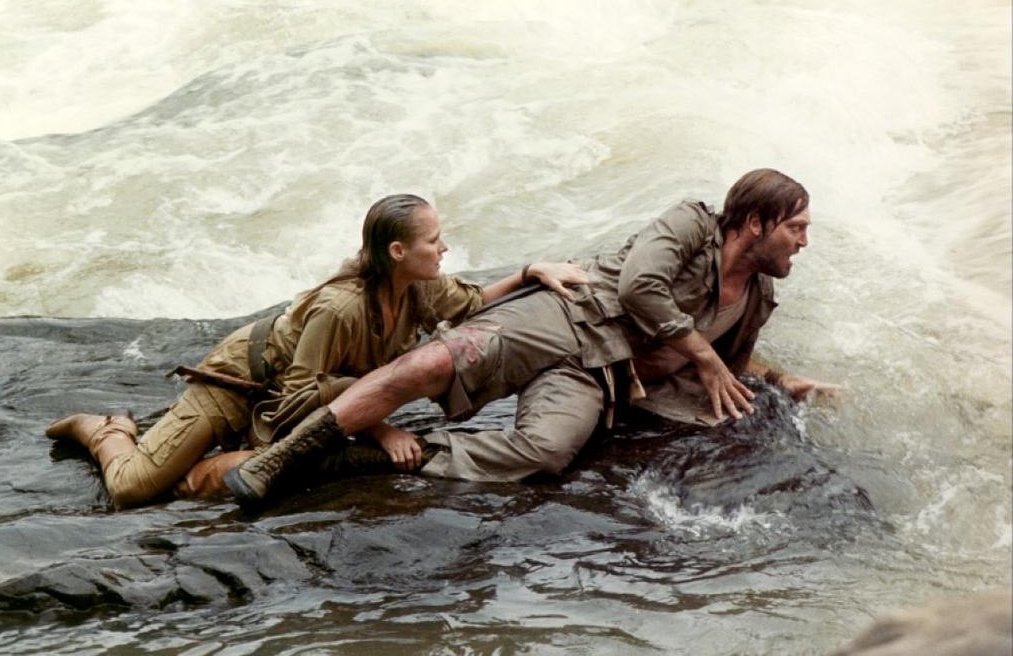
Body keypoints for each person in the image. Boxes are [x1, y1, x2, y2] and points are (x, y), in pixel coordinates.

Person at [223, 169, 838, 502]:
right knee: (429, 366)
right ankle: (282, 457)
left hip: (598, 375)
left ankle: (360, 455)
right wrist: (702, 355)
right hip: (564, 316)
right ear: (755, 222)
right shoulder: (689, 223)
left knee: (546, 454)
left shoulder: (756, 297)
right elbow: (638, 288)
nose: (804, 243)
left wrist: (786, 382)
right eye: (798, 227)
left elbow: (738, 364)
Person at [46, 194, 588, 509]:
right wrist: (381, 427)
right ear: (398, 252)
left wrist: (530, 272)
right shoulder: (339, 308)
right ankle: (107, 429)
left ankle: (195, 466)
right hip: (242, 386)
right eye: (433, 240)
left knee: (289, 468)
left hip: (293, 404)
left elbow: (469, 303)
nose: (444, 248)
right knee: (133, 489)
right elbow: (301, 391)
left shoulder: (417, 287)